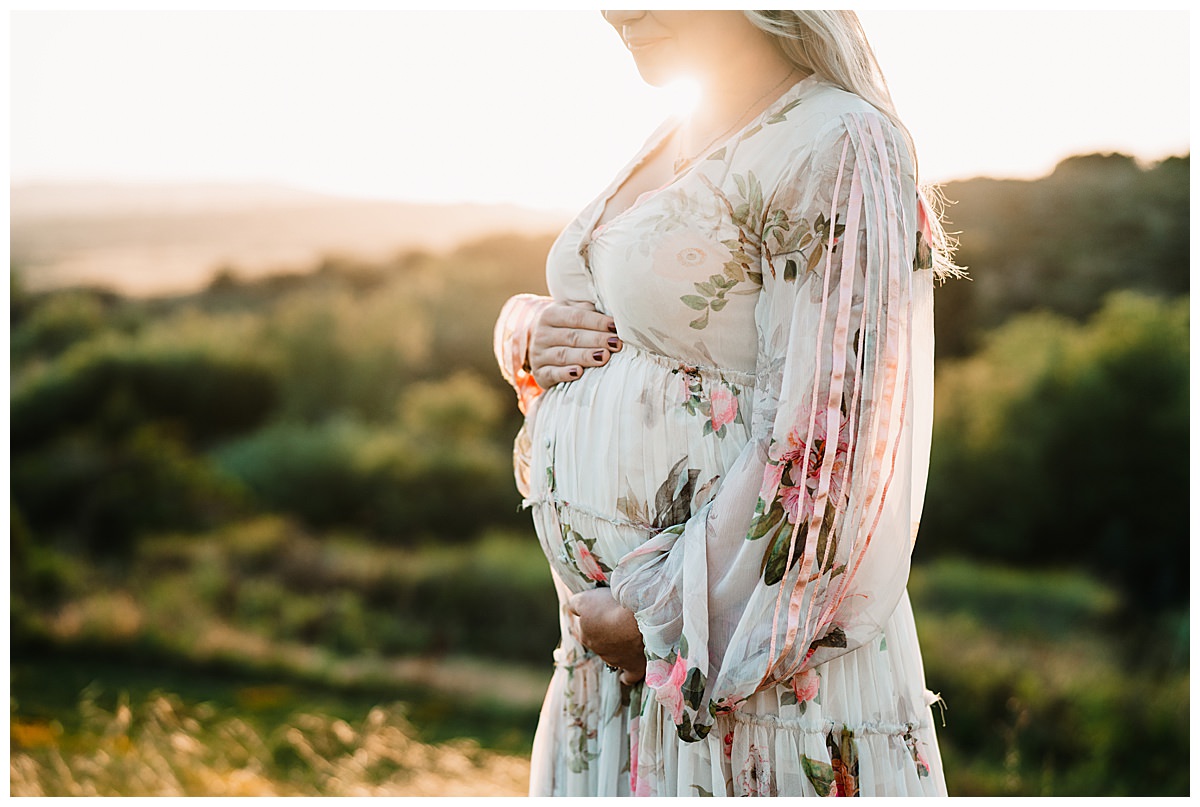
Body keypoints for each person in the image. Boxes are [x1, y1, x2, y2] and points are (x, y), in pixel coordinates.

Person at [494, 10, 959, 797]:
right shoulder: (682, 123)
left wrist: (665, 622)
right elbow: (632, 322)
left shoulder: (838, 138)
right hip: (613, 669)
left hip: (740, 682)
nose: (619, 10)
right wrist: (525, 328)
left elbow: (833, 446)